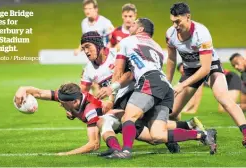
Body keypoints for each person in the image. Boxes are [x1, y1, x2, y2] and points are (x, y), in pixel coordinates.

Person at [97, 18, 217, 159]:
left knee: (128, 116)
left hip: (149, 81)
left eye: (134, 23)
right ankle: (202, 134)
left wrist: (112, 89)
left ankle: (126, 151)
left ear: (141, 29)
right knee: (157, 135)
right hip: (164, 85)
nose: (131, 25)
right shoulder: (158, 48)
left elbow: (118, 71)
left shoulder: (127, 41)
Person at [14, 83, 180, 156]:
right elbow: (39, 93)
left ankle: (193, 130)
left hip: (122, 121)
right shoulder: (71, 98)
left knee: (155, 138)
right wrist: (22, 89)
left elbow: (93, 144)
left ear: (74, 102)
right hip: (117, 122)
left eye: (63, 103)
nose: (60, 104)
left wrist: (65, 154)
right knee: (156, 134)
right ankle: (189, 125)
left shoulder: (90, 111)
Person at [165, 2, 246, 147]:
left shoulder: (201, 33)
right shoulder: (170, 34)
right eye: (172, 22)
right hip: (190, 70)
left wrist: (182, 85)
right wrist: (168, 82)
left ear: (188, 17)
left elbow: (205, 69)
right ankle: (177, 136)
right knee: (172, 112)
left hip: (210, 67)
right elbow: (171, 59)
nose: (175, 25)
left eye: (178, 21)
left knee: (223, 98)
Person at [176, 63, 241, 114]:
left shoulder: (198, 73)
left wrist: (194, 109)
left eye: (184, 71)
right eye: (182, 73)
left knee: (227, 107)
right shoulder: (192, 77)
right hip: (222, 81)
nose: (183, 74)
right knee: (222, 110)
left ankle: (242, 105)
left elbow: (198, 93)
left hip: (231, 79)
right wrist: (185, 109)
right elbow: (193, 94)